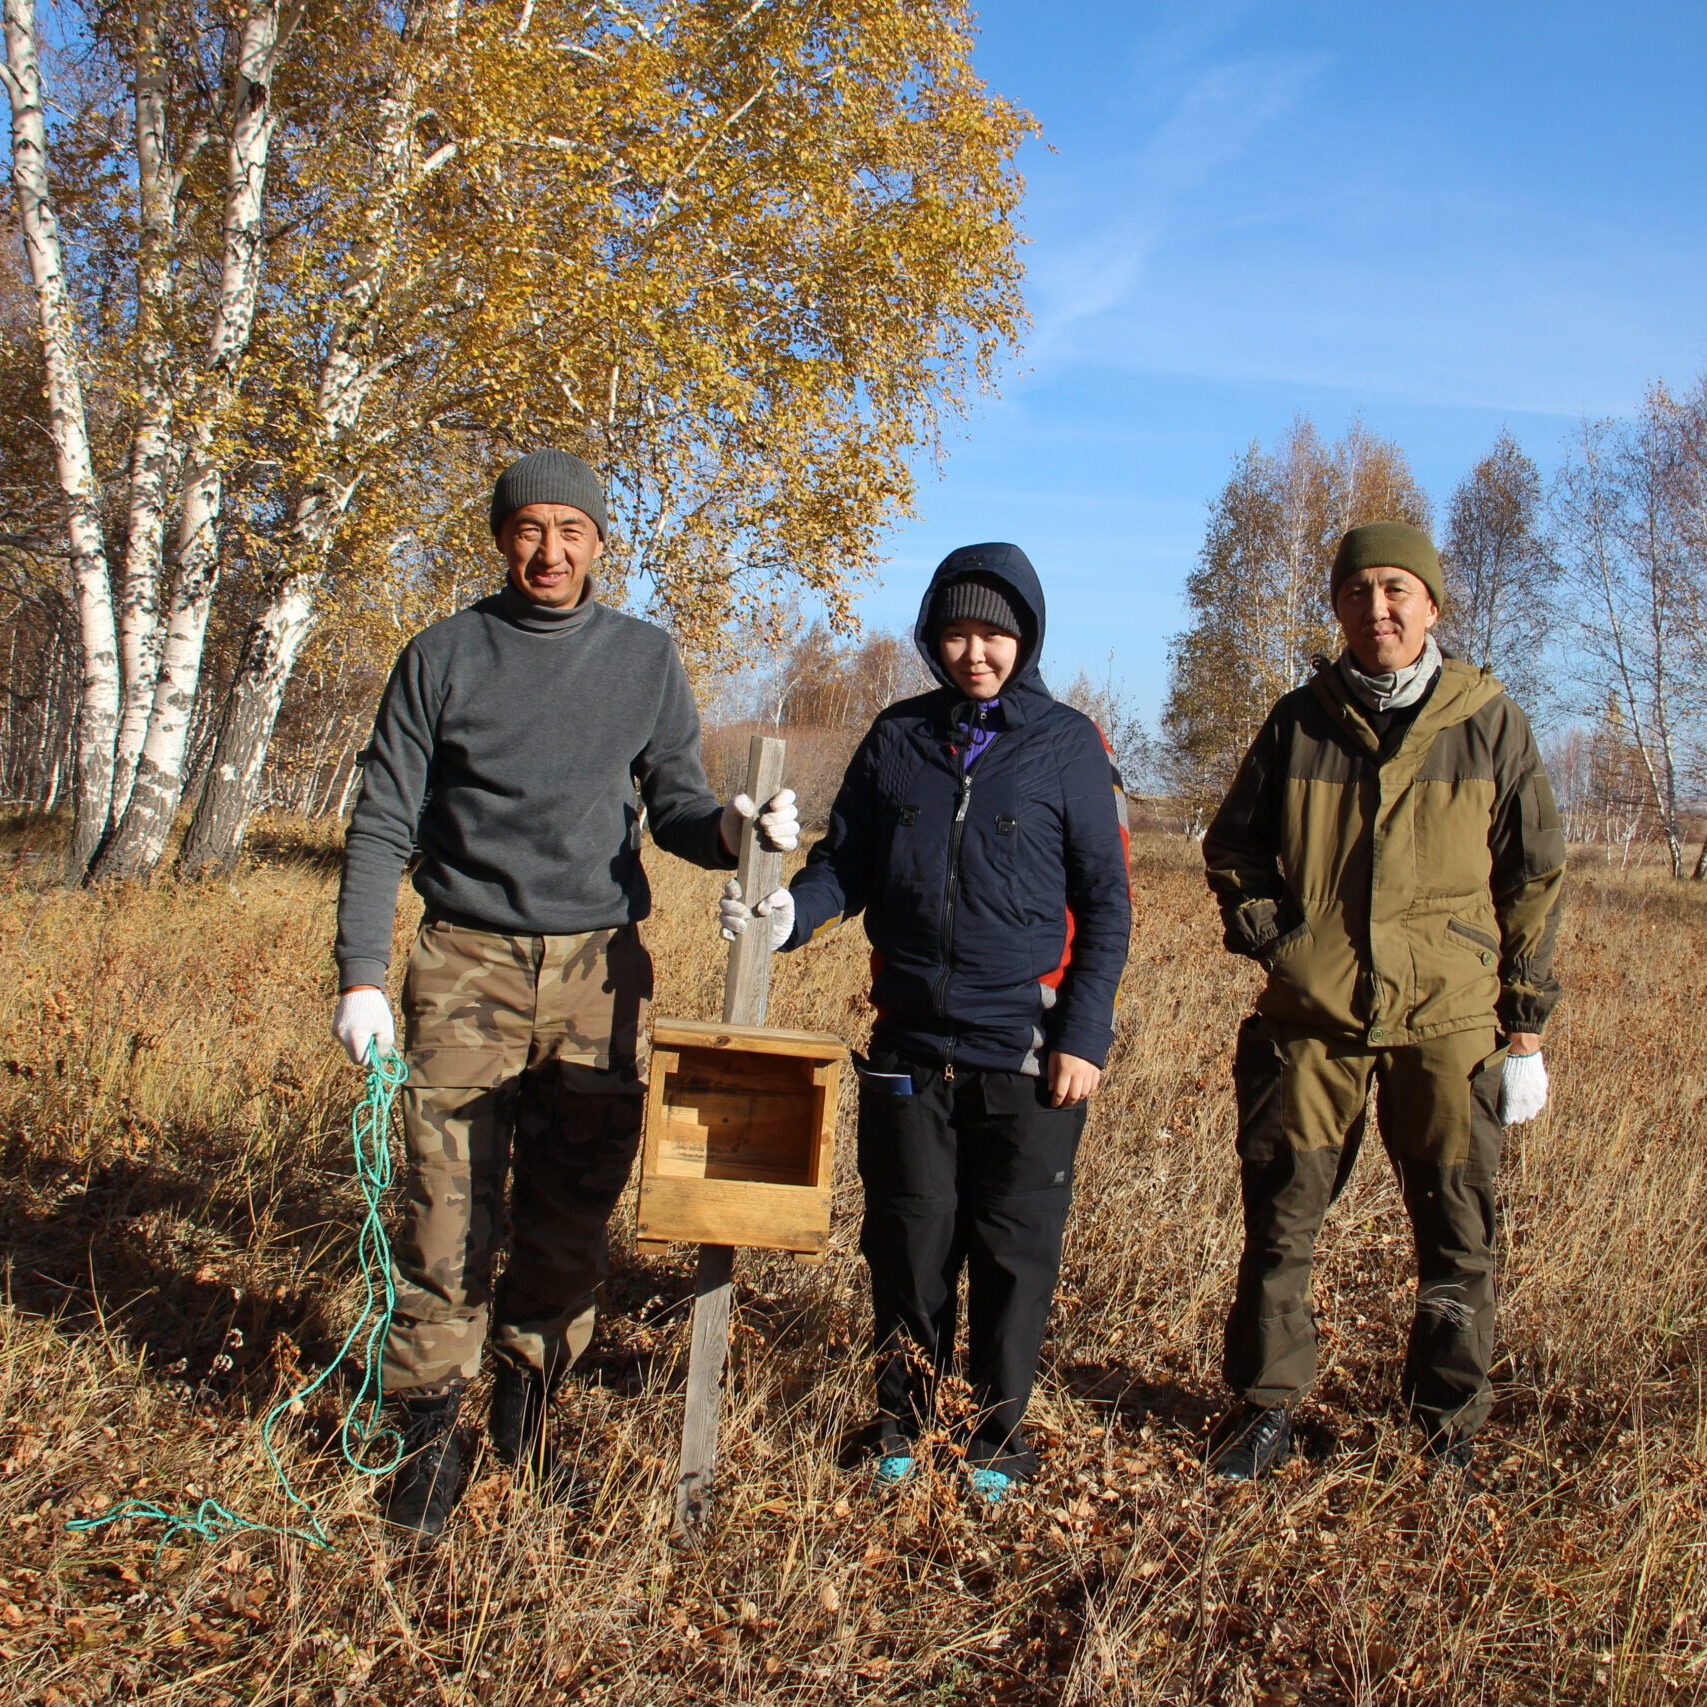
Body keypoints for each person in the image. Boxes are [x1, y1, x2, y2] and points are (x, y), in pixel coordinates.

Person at [332, 447, 798, 1540]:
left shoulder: (642, 659)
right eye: (530, 529)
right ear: (502, 539)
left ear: (599, 543)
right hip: (466, 963)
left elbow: (678, 805)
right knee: (446, 1209)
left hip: (601, 972)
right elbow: (382, 823)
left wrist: (736, 834)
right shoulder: (441, 656)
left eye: (572, 531)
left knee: (572, 1206)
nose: (550, 551)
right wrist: (361, 972)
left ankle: (527, 1412)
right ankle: (428, 1433)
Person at [720, 543, 1131, 1502]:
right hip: (908, 1039)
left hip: (1024, 1047)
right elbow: (845, 865)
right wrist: (789, 916)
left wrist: (1083, 1034)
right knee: (907, 1239)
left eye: (993, 632)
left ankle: (996, 1437)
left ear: (1024, 635)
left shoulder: (1067, 745)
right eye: (954, 631)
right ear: (931, 636)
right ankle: (901, 1419)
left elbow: (1106, 903)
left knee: (1012, 1246)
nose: (973, 652)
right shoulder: (898, 735)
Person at [1201, 520, 1564, 1484]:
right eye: (1358, 592)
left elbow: (1533, 875)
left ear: (1432, 605)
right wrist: (1281, 938)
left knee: (1456, 1224)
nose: (1378, 609)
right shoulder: (1298, 719)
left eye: (1397, 589)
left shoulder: (1489, 721)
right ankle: (1266, 1408)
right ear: (1338, 609)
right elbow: (1232, 847)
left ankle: (1446, 1423)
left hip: (1448, 1025)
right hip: (1311, 1028)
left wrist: (1521, 1021)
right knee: (1281, 1216)